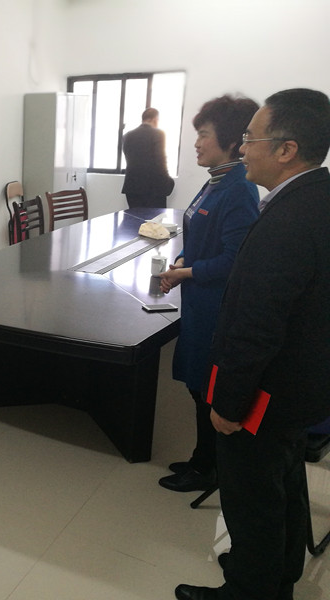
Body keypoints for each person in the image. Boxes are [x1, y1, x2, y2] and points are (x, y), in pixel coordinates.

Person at [174, 88, 330, 600]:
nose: (242, 150)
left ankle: (247, 590)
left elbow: (257, 325)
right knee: (282, 487)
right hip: (298, 388)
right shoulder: (315, 198)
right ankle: (276, 577)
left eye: (250, 139)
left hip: (265, 393)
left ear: (286, 149)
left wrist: (229, 403)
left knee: (253, 500)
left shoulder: (287, 219)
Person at [158, 96, 259, 493]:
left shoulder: (239, 189)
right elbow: (200, 235)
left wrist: (184, 272)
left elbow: (235, 261)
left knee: (207, 388)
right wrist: (183, 259)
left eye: (203, 135)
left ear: (232, 141)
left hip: (215, 308)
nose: (196, 143)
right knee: (198, 386)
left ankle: (208, 469)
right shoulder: (215, 179)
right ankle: (202, 459)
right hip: (198, 303)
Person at [122, 107, 175, 209]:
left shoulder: (127, 135)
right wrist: (168, 183)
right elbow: (161, 161)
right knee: (155, 218)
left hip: (132, 187)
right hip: (154, 188)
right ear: (155, 119)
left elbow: (129, 158)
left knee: (134, 217)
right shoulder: (159, 134)